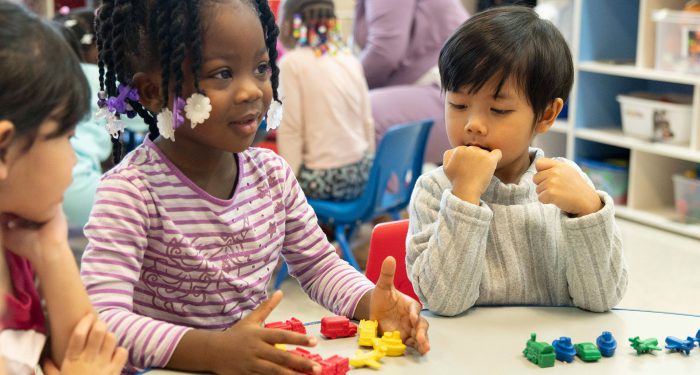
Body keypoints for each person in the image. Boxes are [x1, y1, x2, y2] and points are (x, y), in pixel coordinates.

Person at [79, 1, 429, 374]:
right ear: (153, 92)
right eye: (223, 74)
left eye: (261, 68)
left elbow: (318, 265)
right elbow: (104, 319)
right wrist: (212, 352)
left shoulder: (272, 175)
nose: (252, 91)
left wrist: (368, 300)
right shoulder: (131, 192)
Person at [406, 6, 628, 317]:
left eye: (498, 110)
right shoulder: (434, 190)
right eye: (458, 104)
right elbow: (445, 302)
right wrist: (465, 196)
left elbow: (602, 299)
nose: (474, 124)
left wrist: (590, 212)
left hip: (552, 358)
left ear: (547, 114)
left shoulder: (567, 185)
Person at [0, 2, 126, 374]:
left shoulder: (18, 241)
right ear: (4, 150)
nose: (74, 160)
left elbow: (95, 353)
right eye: (68, 138)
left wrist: (52, 251)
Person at [276, 0, 374, 201]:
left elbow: (291, 131)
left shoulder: (290, 64)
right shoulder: (350, 59)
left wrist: (287, 194)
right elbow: (368, 123)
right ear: (331, 22)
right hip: (364, 178)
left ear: (290, 23)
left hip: (326, 182)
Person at [353, 0, 468, 165]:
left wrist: (345, 85)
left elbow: (384, 53)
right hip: (444, 86)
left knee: (358, 114)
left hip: (456, 91)